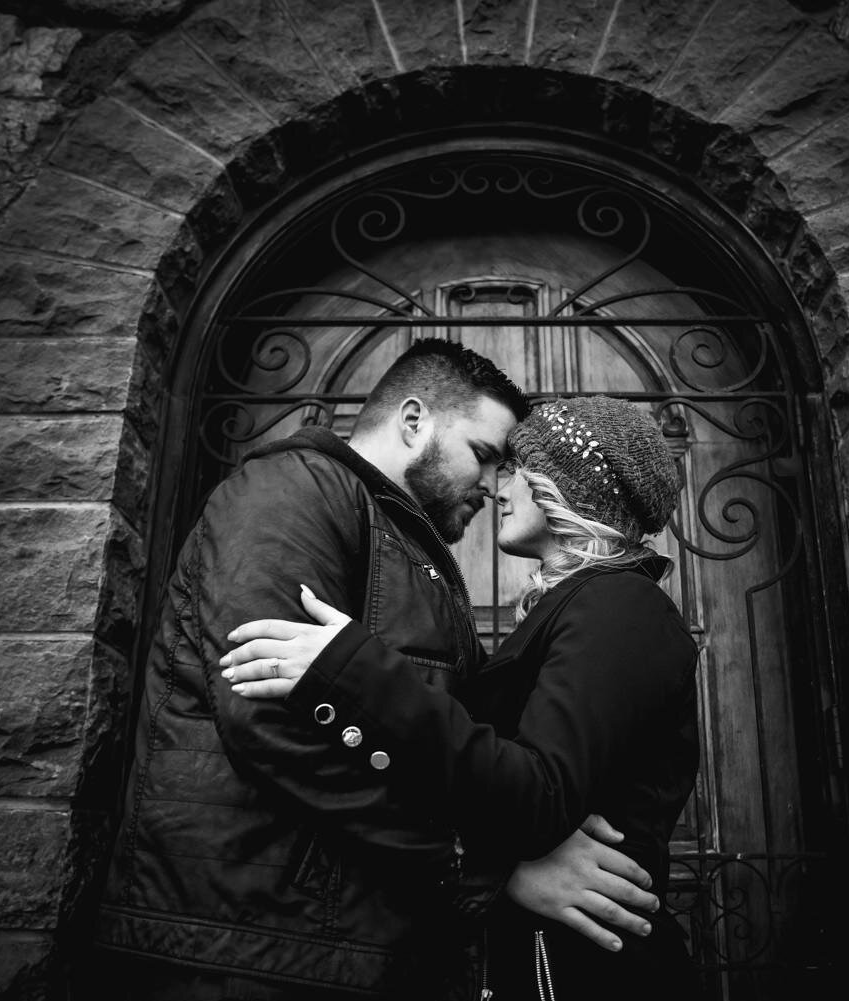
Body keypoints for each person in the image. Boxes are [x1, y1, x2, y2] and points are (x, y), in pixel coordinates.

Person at [92, 343, 659, 1000]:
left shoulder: (408, 542)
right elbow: (267, 714)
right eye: (483, 454)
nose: (494, 484)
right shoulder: (292, 492)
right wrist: (476, 863)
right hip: (244, 949)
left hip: (329, 951)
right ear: (414, 421)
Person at [223, 396, 703, 1000]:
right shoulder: (582, 606)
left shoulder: (621, 606)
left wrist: (356, 670)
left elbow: (538, 797)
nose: (498, 489)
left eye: (519, 471)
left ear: (566, 490)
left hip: (585, 966)